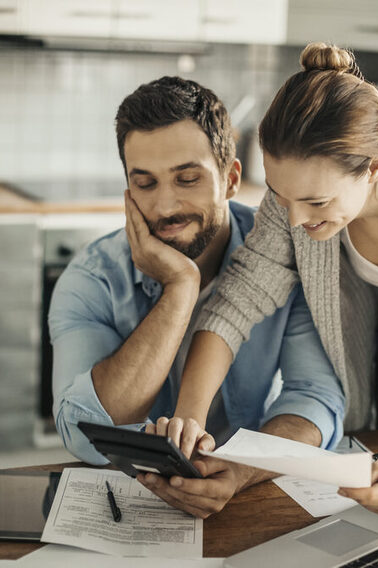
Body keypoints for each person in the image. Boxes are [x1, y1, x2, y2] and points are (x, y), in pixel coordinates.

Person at [49, 76, 345, 518]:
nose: (166, 206)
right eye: (145, 184)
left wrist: (242, 469)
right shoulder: (93, 279)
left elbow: (315, 400)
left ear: (230, 179)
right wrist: (180, 289)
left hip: (250, 493)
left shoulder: (287, 257)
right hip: (135, 507)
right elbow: (83, 432)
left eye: (187, 179)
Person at [159, 44, 378, 515]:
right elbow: (238, 300)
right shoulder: (295, 196)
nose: (297, 219)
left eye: (317, 203)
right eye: (281, 196)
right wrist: (189, 419)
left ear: (374, 169)